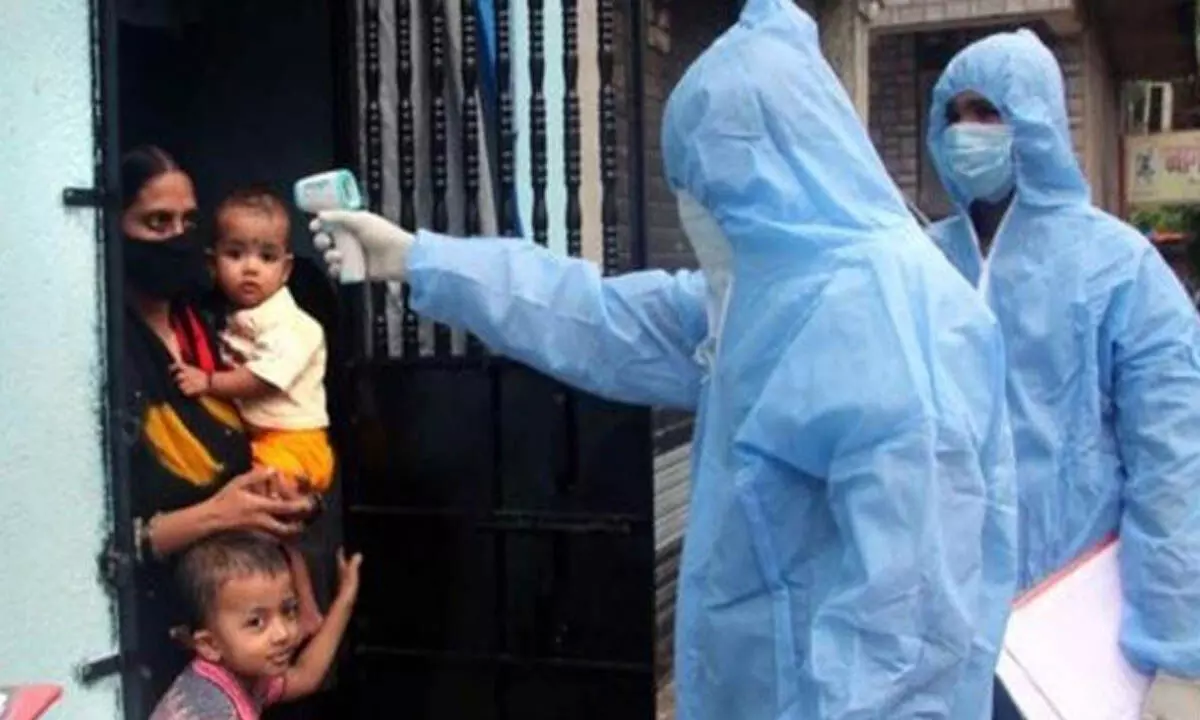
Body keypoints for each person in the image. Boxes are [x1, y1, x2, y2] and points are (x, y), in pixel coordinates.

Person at [313, 0, 1018, 716]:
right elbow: (595, 317)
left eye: (709, 188)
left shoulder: (896, 320)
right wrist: (418, 258)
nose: (695, 211)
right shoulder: (759, 299)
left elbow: (910, 635)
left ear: (767, 172)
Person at [924, 30, 1200, 719]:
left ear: (1036, 120)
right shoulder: (922, 263)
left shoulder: (1118, 266)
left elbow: (1172, 465)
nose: (965, 132)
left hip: (1075, 636)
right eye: (953, 115)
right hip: (939, 631)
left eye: (987, 112)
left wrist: (1178, 650)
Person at [119, 146, 314, 708]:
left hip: (254, 628)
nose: (177, 237)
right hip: (161, 634)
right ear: (114, 228)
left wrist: (293, 499)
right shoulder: (111, 348)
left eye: (187, 221)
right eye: (157, 222)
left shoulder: (211, 326)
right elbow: (109, 537)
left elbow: (273, 424)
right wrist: (217, 515)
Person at [172, 186, 334, 637]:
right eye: (235, 254)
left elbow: (263, 378)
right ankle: (301, 609)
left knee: (259, 529)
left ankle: (297, 610)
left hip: (294, 443)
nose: (250, 267)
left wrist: (208, 382)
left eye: (266, 257)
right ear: (212, 263)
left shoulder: (292, 325)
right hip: (270, 438)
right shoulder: (228, 316)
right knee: (272, 533)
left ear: (285, 269)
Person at [148, 531, 361, 720]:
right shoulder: (213, 711)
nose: (283, 633)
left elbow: (305, 676)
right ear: (210, 645)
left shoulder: (241, 675)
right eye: (256, 622)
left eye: (288, 610)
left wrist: (346, 598)